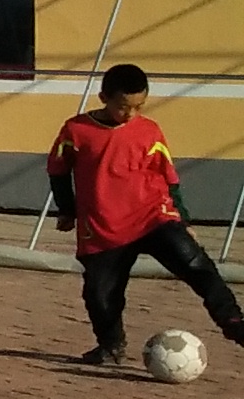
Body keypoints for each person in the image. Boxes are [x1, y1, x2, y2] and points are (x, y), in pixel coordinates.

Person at [50, 64, 244, 370]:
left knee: (198, 266)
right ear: (104, 97)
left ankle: (234, 323)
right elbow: (58, 172)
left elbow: (169, 177)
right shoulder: (75, 131)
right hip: (103, 228)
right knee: (100, 296)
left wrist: (184, 220)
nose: (130, 114)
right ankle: (111, 345)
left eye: (138, 107)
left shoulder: (149, 130)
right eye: (123, 107)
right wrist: (67, 210)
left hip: (154, 218)